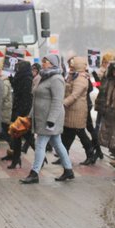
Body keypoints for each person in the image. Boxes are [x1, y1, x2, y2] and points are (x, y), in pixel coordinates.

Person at [20, 54, 74, 184]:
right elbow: (36, 99)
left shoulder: (56, 79)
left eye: (46, 61)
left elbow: (57, 101)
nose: (43, 63)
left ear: (52, 64)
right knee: (57, 143)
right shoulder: (43, 77)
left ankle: (34, 173)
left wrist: (51, 120)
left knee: (40, 144)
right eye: (43, 61)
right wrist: (30, 115)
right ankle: (68, 170)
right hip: (41, 116)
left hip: (49, 119)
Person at [61, 56, 95, 165]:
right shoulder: (74, 76)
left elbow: (75, 95)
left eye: (73, 64)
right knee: (68, 133)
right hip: (71, 110)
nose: (71, 66)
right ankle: (64, 155)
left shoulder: (81, 79)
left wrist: (63, 104)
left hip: (77, 111)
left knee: (79, 133)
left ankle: (91, 154)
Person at [7, 59, 33, 169]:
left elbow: (26, 97)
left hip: (22, 111)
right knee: (16, 136)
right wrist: (11, 79)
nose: (17, 68)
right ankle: (16, 159)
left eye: (19, 66)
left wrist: (22, 113)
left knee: (26, 136)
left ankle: (41, 158)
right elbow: (16, 89)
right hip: (17, 109)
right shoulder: (19, 76)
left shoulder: (27, 78)